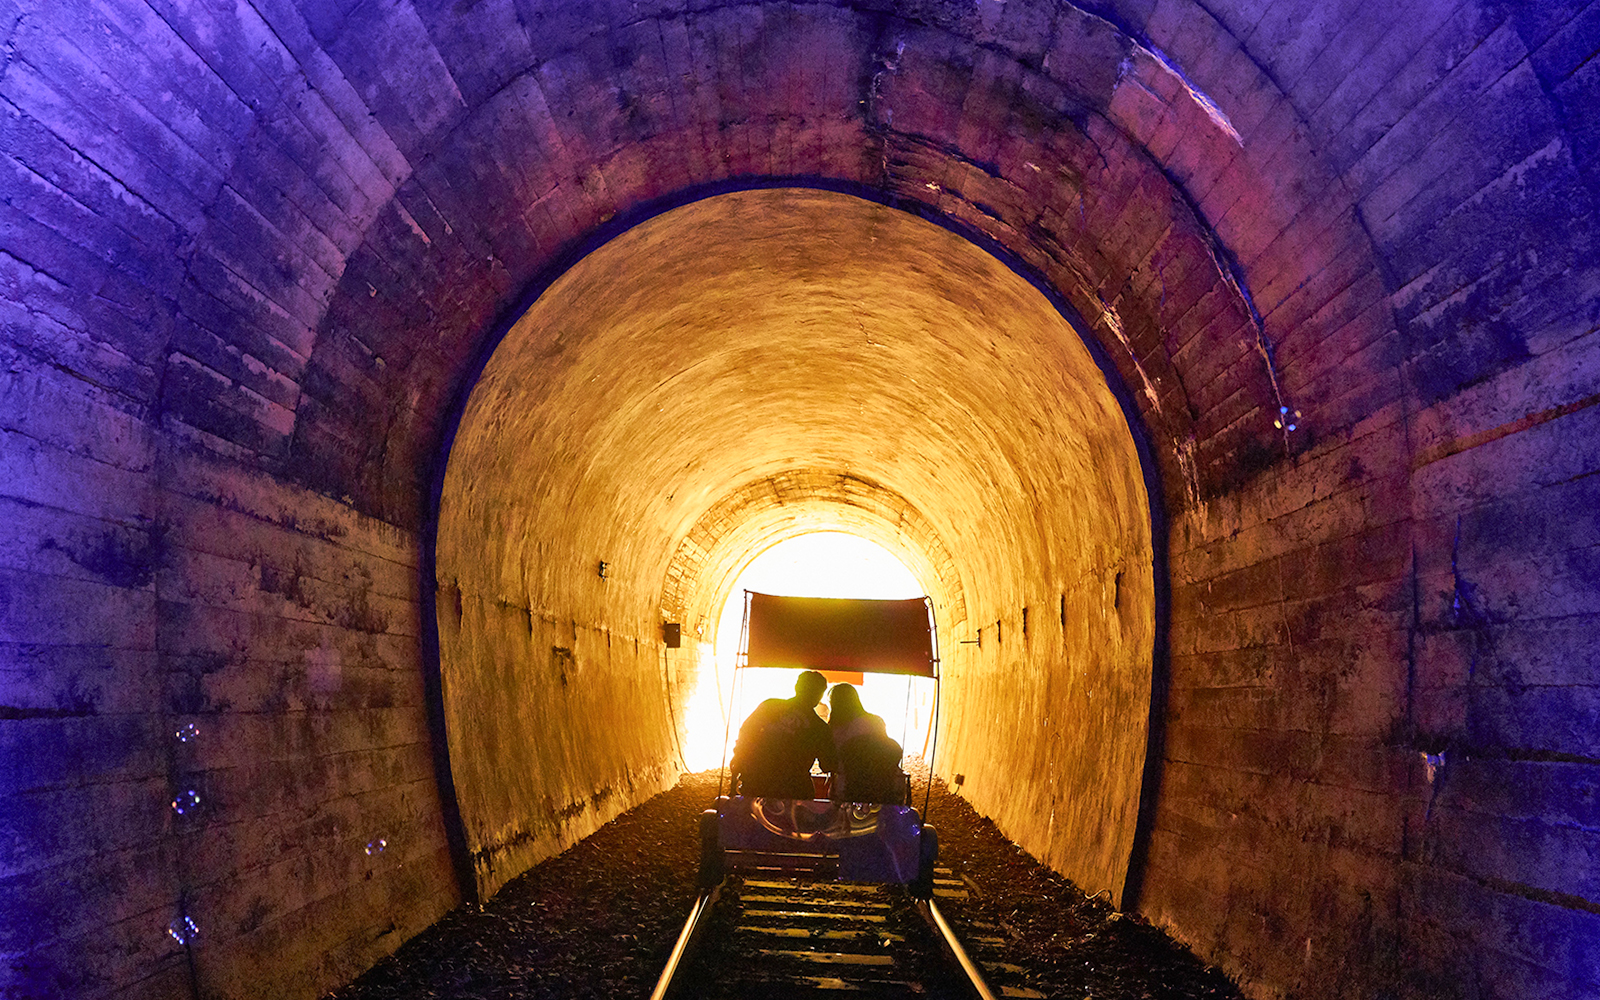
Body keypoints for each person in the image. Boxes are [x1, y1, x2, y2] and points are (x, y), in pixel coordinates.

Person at [729, 670, 835, 799]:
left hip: (757, 780)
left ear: (797, 687)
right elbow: (827, 764)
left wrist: (738, 757)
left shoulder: (770, 706)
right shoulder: (819, 727)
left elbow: (746, 732)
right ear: (820, 695)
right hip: (793, 788)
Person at [826, 683, 907, 804]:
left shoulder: (833, 729)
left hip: (849, 787)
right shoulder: (876, 721)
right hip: (884, 783)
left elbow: (830, 763)